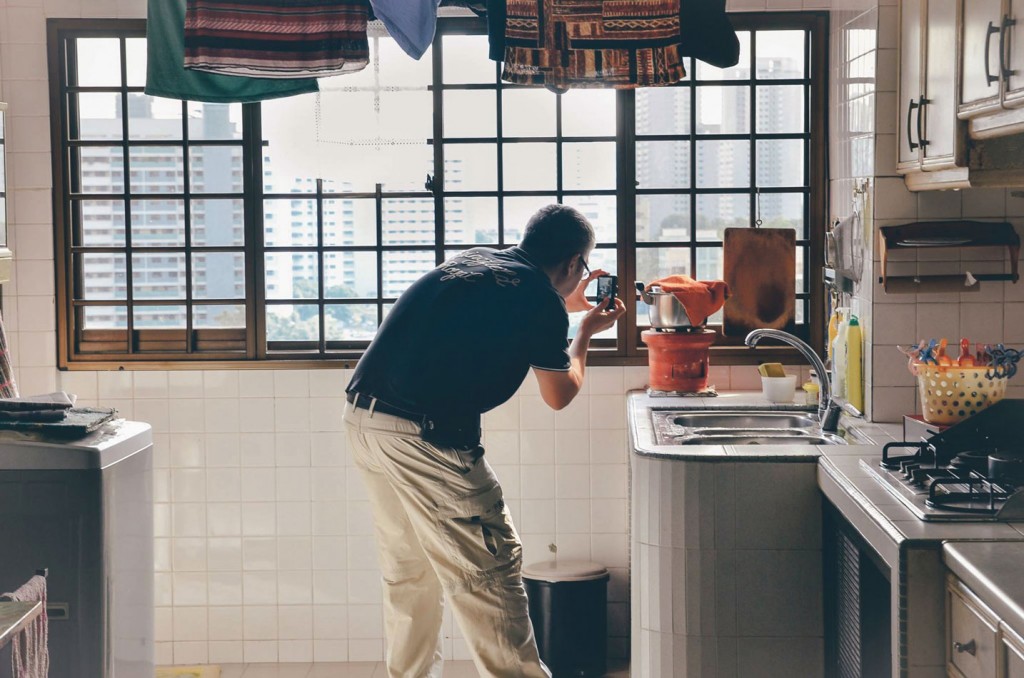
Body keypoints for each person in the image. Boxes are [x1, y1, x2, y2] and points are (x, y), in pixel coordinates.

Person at [343, 203, 625, 677]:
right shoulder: (539, 299)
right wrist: (586, 334)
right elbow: (559, 394)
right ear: (575, 263)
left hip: (364, 420)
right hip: (425, 436)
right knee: (491, 572)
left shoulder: (477, 261)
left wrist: (564, 306)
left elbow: (499, 310)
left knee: (410, 571)